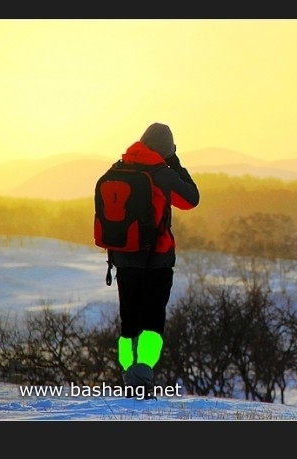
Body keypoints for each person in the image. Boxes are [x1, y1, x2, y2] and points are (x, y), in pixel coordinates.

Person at [108, 122, 200, 397]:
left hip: (124, 259)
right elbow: (191, 198)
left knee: (129, 323)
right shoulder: (162, 174)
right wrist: (175, 162)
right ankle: (143, 380)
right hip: (156, 261)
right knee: (152, 324)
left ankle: (129, 377)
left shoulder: (118, 168)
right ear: (166, 149)